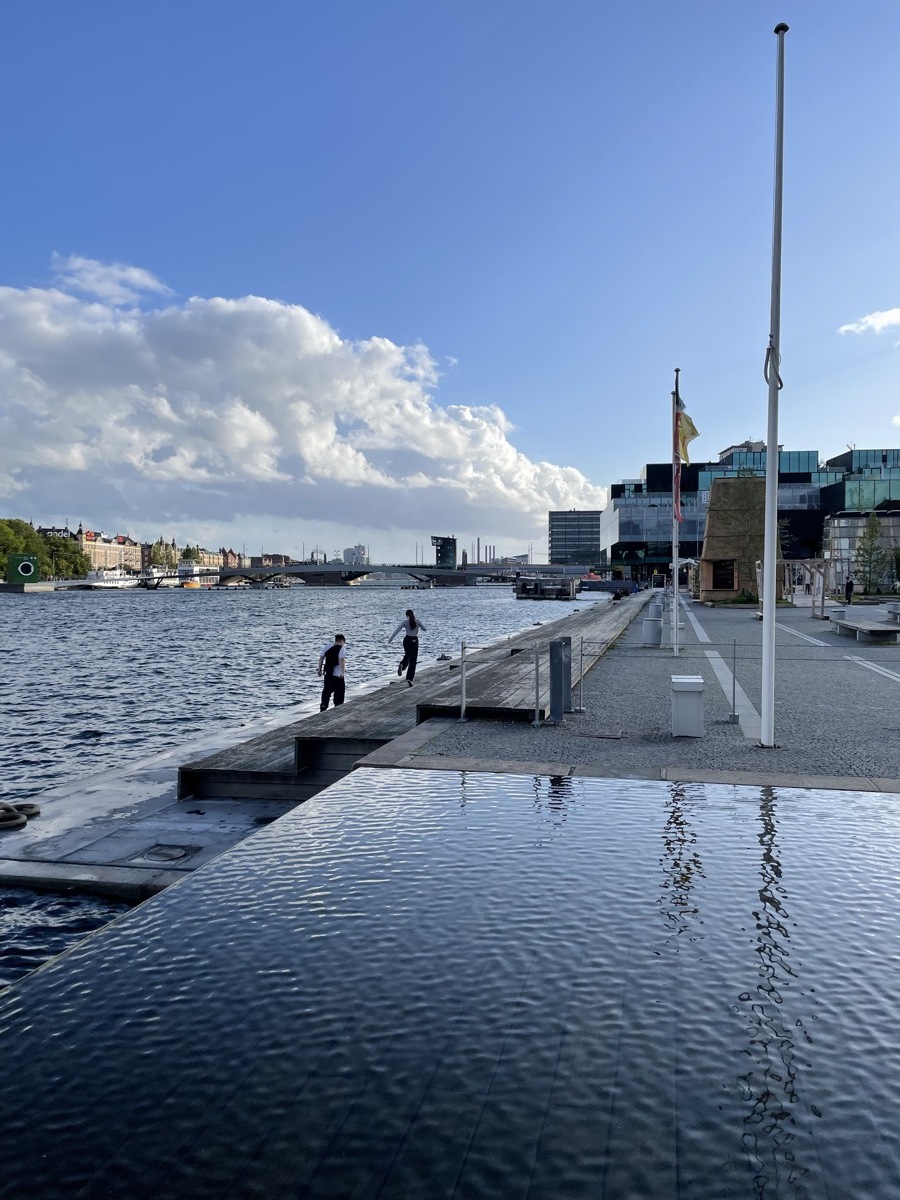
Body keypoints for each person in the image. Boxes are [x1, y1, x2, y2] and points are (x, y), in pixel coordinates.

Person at [388, 608, 427, 686]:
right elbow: (424, 629)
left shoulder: (405, 622)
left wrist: (391, 639)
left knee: (407, 654)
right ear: (413, 614)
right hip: (414, 640)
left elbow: (397, 630)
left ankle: (402, 665)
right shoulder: (417, 621)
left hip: (407, 640)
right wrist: (419, 626)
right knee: (413, 661)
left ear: (406, 615)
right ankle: (409, 678)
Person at [317, 634, 347, 710]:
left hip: (328, 674)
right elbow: (342, 660)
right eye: (343, 642)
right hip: (338, 676)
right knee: (339, 695)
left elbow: (321, 658)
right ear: (341, 641)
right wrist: (343, 672)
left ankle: (324, 706)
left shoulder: (327, 646)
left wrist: (319, 670)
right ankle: (338, 708)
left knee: (326, 692)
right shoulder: (342, 649)